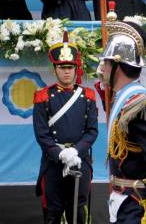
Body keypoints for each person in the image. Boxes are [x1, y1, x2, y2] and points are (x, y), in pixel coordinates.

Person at [98, 18, 146, 223]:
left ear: (119, 66)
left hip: (136, 207)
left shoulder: (139, 107)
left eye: (106, 63)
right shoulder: (124, 100)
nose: (102, 68)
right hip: (124, 204)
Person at [32, 31, 99, 224]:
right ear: (55, 69)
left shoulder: (87, 96)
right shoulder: (43, 96)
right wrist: (60, 154)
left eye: (70, 67)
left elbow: (92, 131)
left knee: (77, 212)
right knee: (52, 212)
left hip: (80, 161)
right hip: (53, 163)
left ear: (76, 68)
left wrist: (75, 151)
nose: (66, 71)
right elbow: (41, 134)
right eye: (62, 67)